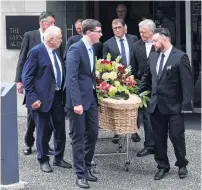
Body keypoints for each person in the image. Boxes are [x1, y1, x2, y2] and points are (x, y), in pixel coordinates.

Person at [138, 28, 193, 180]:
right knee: (159, 138)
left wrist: (186, 106)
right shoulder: (154, 56)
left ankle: (182, 164)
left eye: (155, 40)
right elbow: (146, 77)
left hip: (174, 106)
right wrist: (137, 93)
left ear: (165, 39)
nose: (153, 43)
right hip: (156, 106)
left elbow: (187, 83)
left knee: (176, 137)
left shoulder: (180, 57)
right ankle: (162, 165)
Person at [22, 26, 72, 173]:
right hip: (41, 99)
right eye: (60, 38)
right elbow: (27, 77)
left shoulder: (55, 51)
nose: (62, 40)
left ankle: (58, 158)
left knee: (60, 129)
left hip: (57, 97)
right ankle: (43, 159)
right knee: (43, 131)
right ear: (51, 39)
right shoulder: (36, 52)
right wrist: (32, 99)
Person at [65, 19, 102, 189]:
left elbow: (89, 75)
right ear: (88, 32)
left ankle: (86, 167)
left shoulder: (92, 49)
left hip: (91, 99)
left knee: (93, 134)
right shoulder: (75, 49)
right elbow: (71, 77)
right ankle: (80, 174)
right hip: (78, 102)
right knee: (78, 138)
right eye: (98, 31)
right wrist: (76, 102)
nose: (101, 34)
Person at [15, 11, 55, 155]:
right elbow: (22, 58)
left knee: (48, 117)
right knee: (32, 117)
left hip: (48, 84)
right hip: (33, 83)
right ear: (42, 23)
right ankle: (29, 143)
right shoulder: (30, 36)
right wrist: (19, 80)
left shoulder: (53, 38)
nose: (53, 25)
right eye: (50, 23)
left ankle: (44, 145)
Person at [103, 18, 140, 144]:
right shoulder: (108, 44)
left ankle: (134, 130)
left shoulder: (134, 39)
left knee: (134, 103)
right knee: (118, 105)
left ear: (125, 28)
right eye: (115, 28)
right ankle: (117, 132)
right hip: (117, 79)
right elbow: (105, 63)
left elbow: (137, 56)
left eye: (119, 27)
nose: (117, 30)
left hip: (133, 76)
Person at [131, 19, 156, 157]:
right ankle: (149, 145)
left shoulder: (159, 43)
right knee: (146, 115)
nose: (141, 34)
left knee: (159, 116)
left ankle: (159, 144)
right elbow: (133, 67)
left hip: (159, 84)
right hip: (143, 85)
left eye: (144, 32)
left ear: (152, 31)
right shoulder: (136, 46)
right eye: (140, 31)